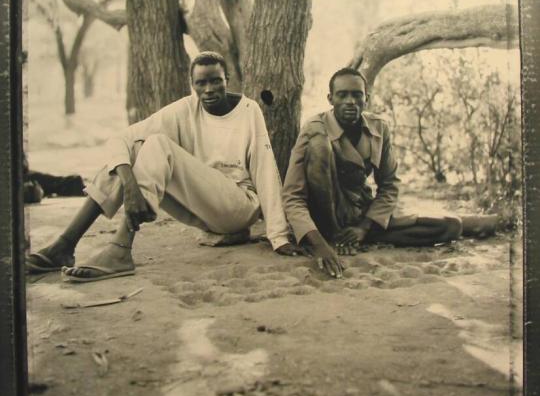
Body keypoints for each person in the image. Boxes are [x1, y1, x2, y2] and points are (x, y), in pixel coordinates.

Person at [26, 51, 297, 281]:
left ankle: (120, 248)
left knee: (157, 145)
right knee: (131, 150)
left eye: (216, 81)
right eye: (201, 83)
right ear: (192, 85)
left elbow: (265, 170)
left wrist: (279, 236)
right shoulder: (186, 109)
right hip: (203, 209)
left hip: (239, 205)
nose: (209, 89)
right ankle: (65, 244)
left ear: (228, 79)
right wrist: (130, 186)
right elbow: (120, 139)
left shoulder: (248, 111)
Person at [282, 67, 499, 279]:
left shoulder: (379, 128)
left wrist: (364, 228)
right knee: (319, 146)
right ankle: (333, 236)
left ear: (366, 98)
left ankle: (354, 238)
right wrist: (319, 245)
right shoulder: (313, 128)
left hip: (360, 214)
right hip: (323, 219)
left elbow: (389, 184)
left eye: (357, 95)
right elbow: (292, 197)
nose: (350, 101)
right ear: (330, 99)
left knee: (451, 226)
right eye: (342, 95)